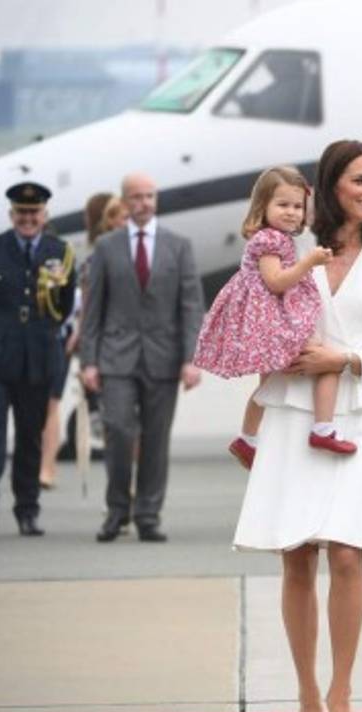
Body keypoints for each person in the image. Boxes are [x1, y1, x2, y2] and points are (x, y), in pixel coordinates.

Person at [233, 140, 362, 712]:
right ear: (331, 184)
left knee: (347, 556)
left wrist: (345, 358)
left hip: (352, 415)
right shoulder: (288, 249)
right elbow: (257, 313)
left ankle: (342, 693)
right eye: (360, 179)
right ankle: (306, 696)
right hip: (289, 409)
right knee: (297, 557)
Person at [192, 166, 356, 469]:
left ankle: (247, 438)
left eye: (297, 206)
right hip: (272, 319)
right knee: (326, 361)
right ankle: (322, 428)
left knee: (268, 385)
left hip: (268, 315)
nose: (292, 212)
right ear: (262, 205)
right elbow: (276, 282)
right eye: (283, 205)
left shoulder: (277, 237)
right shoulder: (270, 240)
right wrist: (309, 262)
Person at [80, 173, 205, 543]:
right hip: (115, 357)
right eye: (136, 197)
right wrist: (89, 361)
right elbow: (93, 309)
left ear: (156, 199)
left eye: (149, 196)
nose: (144, 203)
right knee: (117, 431)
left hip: (164, 359)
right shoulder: (106, 246)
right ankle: (117, 511)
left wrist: (191, 359)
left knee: (155, 438)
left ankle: (148, 514)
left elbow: (191, 306)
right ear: (124, 200)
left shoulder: (179, 246)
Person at [0, 182, 77, 535]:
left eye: (34, 213)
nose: (28, 219)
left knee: (29, 438)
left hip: (36, 359)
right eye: (21, 213)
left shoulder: (60, 252)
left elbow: (64, 307)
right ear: (12, 215)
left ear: (44, 215)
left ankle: (27, 510)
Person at [39, 192, 112, 488]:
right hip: (74, 335)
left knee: (52, 403)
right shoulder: (80, 257)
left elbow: (81, 304)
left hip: (71, 336)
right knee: (53, 403)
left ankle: (47, 468)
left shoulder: (84, 258)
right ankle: (46, 468)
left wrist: (79, 333)